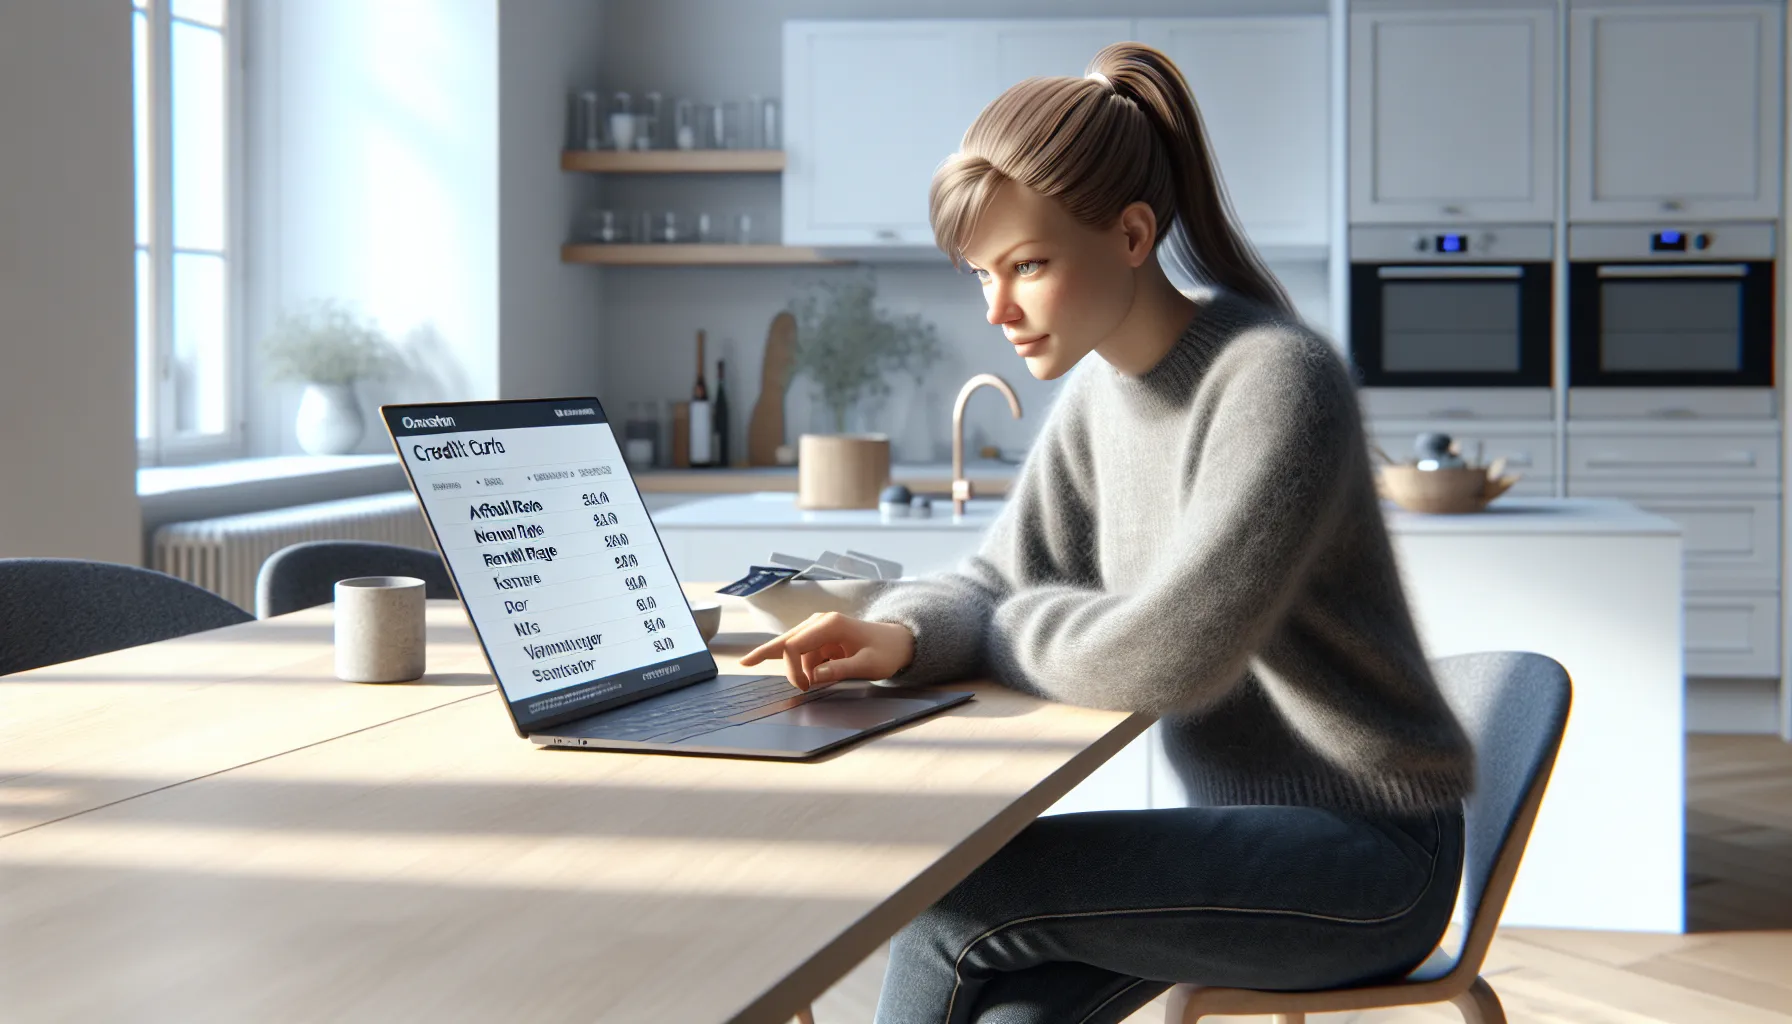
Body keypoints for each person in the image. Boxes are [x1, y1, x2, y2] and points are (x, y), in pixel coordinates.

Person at [739, 42, 1474, 1024]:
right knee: (1008, 1007)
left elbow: (1167, 654)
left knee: (955, 898)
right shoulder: (1100, 395)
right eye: (979, 274)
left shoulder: (1272, 382)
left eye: (1027, 266)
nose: (996, 309)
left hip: (1368, 860)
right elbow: (999, 574)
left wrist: (1000, 626)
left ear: (1131, 235)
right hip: (1243, 834)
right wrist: (906, 633)